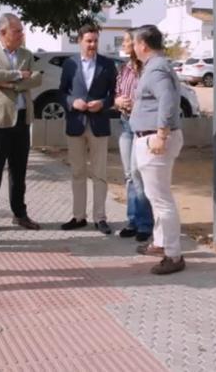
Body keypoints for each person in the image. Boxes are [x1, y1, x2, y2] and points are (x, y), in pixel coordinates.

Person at [0, 13, 43, 236]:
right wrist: (17, 75)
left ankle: (20, 214)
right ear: (3, 32)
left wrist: (10, 84)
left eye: (22, 30)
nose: (22, 34)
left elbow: (36, 78)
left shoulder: (26, 54)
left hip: (22, 120)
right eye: (17, 31)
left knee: (19, 171)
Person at [128, 24, 186, 275]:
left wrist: (161, 134)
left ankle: (173, 255)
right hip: (151, 137)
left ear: (143, 45)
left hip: (156, 139)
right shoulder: (156, 67)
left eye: (134, 43)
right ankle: (161, 243)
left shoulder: (157, 68)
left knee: (161, 200)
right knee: (157, 197)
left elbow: (168, 100)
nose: (132, 47)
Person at [58, 23, 118, 234]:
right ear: (79, 41)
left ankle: (100, 217)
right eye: (88, 41)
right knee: (78, 172)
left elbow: (114, 95)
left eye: (95, 41)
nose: (92, 45)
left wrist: (103, 103)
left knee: (99, 173)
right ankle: (78, 216)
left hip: (99, 125)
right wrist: (72, 102)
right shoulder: (69, 65)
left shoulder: (108, 65)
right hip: (75, 125)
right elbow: (61, 92)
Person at [114, 31, 152, 242]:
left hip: (141, 127)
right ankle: (133, 220)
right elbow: (117, 92)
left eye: (128, 40)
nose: (125, 44)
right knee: (129, 175)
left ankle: (145, 224)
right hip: (125, 125)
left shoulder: (147, 69)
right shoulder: (123, 68)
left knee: (138, 174)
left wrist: (135, 104)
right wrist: (119, 101)